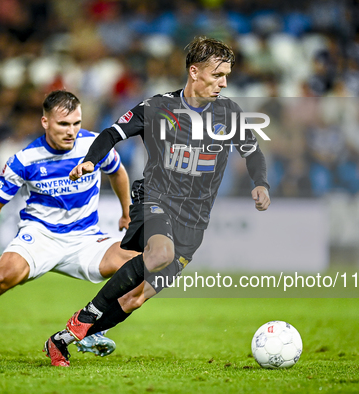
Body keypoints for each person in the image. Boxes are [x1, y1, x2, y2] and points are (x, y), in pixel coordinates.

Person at [46, 37, 271, 367]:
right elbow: (112, 134)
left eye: (227, 75)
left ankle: (61, 341)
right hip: (155, 199)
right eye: (217, 74)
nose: (224, 83)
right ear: (194, 72)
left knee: (136, 298)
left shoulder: (229, 113)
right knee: (159, 253)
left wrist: (261, 182)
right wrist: (92, 161)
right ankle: (84, 318)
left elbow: (252, 152)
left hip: (194, 221)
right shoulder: (158, 108)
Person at [0, 90, 140, 360]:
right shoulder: (24, 160)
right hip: (41, 237)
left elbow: (117, 171)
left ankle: (92, 330)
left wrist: (125, 211)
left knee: (140, 266)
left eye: (76, 123)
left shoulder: (94, 145)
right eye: (63, 124)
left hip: (85, 239)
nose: (71, 131)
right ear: (45, 122)